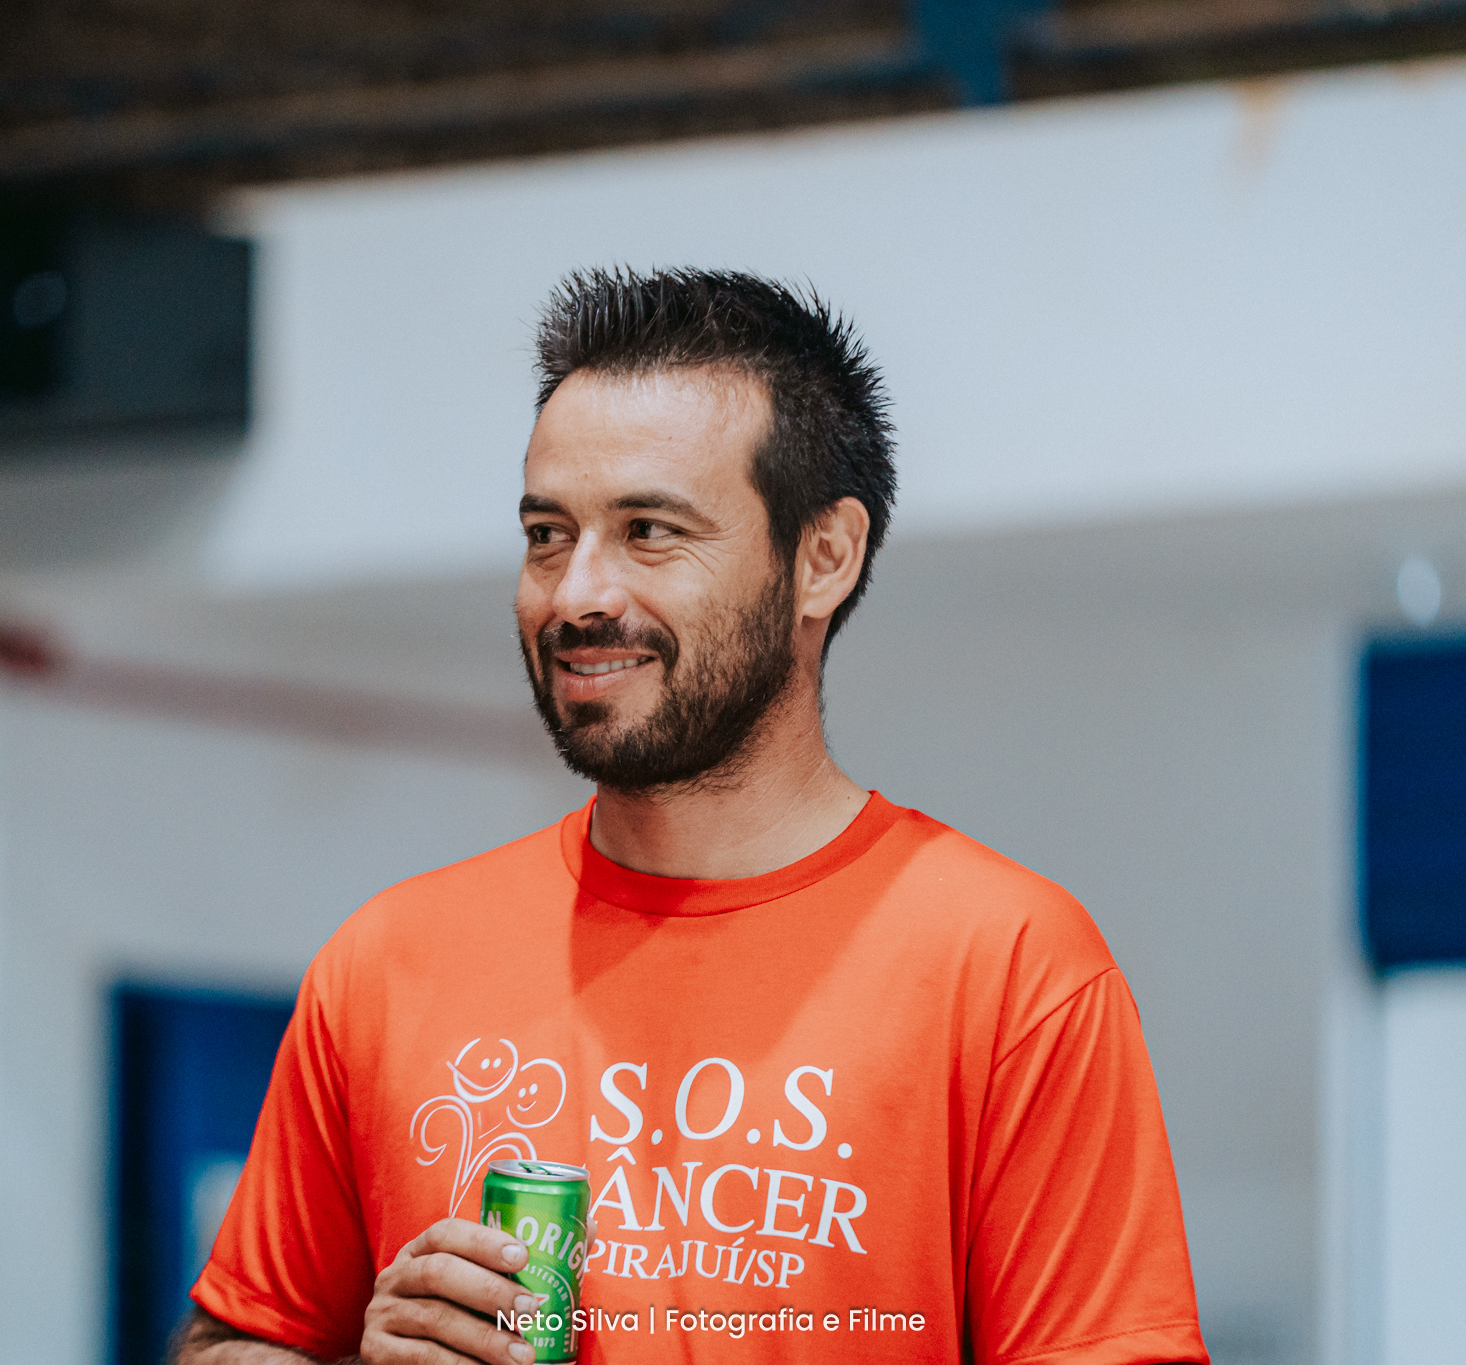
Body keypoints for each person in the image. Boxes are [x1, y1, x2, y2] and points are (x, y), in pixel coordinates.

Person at [176, 269, 1208, 1365]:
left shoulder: (1007, 970)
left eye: (649, 531)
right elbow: (230, 1342)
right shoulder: (387, 964)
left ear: (823, 557)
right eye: (546, 533)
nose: (576, 594)